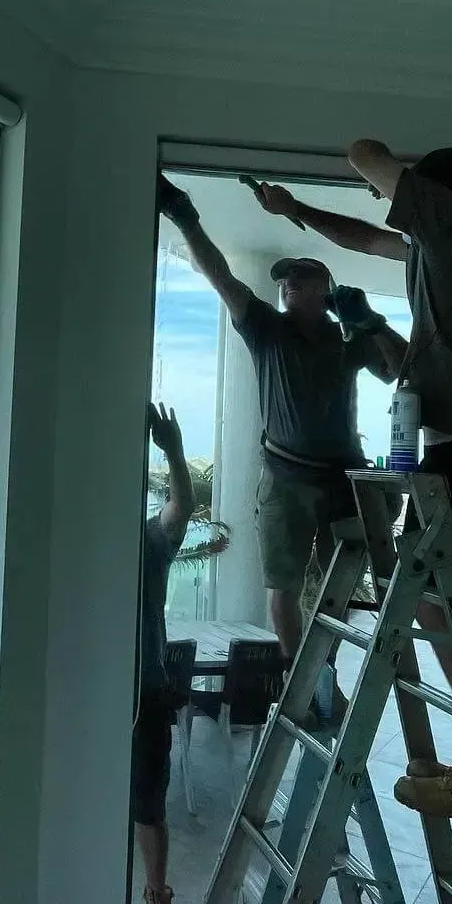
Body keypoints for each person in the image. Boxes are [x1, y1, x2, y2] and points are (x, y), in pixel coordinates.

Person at [256, 142, 452, 827]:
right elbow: (367, 237)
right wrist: (296, 208)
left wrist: (401, 164)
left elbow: (364, 152)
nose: (390, 205)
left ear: (433, 196)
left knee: (430, 604)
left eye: (410, 196)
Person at [157, 173, 407, 718]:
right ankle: (301, 678)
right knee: (284, 586)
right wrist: (183, 216)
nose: (289, 283)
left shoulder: (351, 342)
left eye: (302, 277)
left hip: (345, 478)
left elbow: (403, 369)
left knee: (339, 587)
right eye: (286, 280)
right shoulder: (265, 329)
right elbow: (220, 275)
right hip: (287, 478)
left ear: (326, 291)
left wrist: (369, 320)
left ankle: (329, 675)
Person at [136, 402, 193, 904]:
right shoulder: (82, 542)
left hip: (147, 694)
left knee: (149, 807)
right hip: (91, 694)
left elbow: (181, 510)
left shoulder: (149, 542)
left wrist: (173, 451)